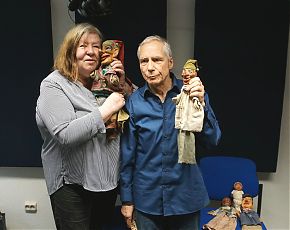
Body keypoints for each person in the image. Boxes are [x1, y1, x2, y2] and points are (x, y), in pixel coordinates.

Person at [120, 35, 221, 230]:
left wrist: (203, 104)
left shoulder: (193, 94)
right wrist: (126, 200)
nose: (150, 67)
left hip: (186, 198)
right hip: (147, 200)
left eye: (157, 59)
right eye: (144, 61)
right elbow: (127, 156)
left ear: (170, 62)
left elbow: (213, 140)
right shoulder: (134, 103)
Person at [35, 23, 126, 230]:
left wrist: (122, 85)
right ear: (70, 51)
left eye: (96, 46)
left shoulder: (102, 81)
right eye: (83, 46)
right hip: (71, 183)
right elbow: (65, 134)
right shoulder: (54, 85)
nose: (92, 52)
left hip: (105, 181)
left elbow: (133, 108)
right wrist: (106, 110)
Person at [91, 39, 128, 140]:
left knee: (112, 114)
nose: (103, 52)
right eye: (101, 49)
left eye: (107, 48)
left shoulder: (113, 69)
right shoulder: (99, 69)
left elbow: (118, 86)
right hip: (97, 94)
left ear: (115, 51)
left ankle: (111, 127)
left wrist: (117, 79)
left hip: (109, 95)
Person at [172, 59, 204, 164]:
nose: (184, 74)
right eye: (184, 71)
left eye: (189, 71)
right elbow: (182, 95)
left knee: (188, 139)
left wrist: (198, 101)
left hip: (190, 117)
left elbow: (214, 138)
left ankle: (187, 159)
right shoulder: (184, 87)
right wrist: (178, 99)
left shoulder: (196, 85)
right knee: (182, 139)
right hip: (184, 116)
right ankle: (183, 158)